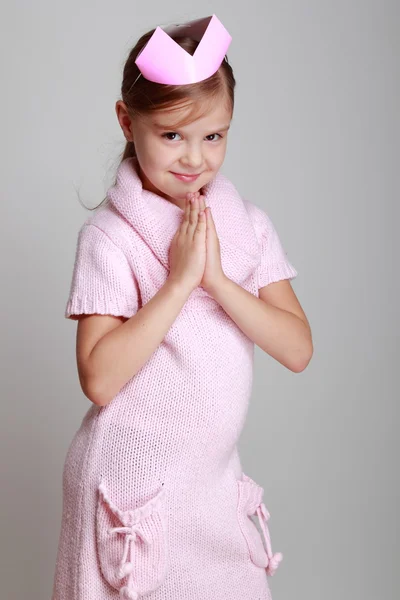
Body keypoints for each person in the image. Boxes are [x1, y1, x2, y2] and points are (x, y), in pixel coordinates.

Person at [51, 14, 313, 600]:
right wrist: (177, 284)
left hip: (209, 486)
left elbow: (297, 349)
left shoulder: (244, 228)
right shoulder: (111, 238)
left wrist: (217, 280)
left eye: (214, 136)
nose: (195, 158)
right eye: (172, 136)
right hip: (131, 487)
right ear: (128, 121)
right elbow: (98, 378)